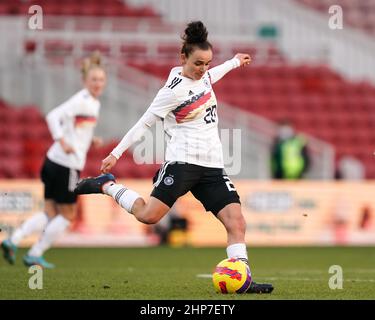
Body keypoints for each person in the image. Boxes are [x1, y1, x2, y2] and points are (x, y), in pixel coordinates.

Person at [75, 21, 273, 293]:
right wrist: (115, 153)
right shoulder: (171, 92)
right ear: (183, 58)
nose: (203, 69)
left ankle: (242, 280)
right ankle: (107, 185)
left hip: (212, 167)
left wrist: (234, 62)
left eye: (206, 63)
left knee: (236, 222)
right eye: (198, 63)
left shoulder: (203, 76)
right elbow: (144, 123)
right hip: (182, 163)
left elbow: (212, 76)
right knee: (148, 216)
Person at [1, 52, 107, 268]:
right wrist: (62, 140)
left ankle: (14, 240)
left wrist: (90, 139)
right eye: (94, 80)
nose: (98, 83)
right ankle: (34, 253)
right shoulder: (82, 100)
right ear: (85, 81)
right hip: (66, 166)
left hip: (52, 162)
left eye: (101, 80)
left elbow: (77, 127)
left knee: (49, 212)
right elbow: (52, 116)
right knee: (68, 216)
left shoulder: (92, 104)